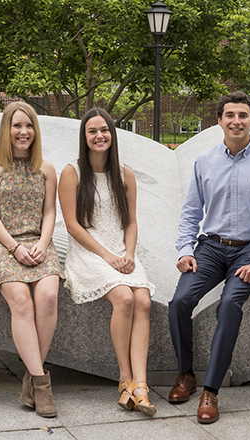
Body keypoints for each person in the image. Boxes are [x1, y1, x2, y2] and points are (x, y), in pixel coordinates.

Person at [168, 91, 250, 424]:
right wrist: (184, 251)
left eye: (243, 115)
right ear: (219, 120)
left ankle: (211, 391)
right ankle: (185, 374)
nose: (236, 121)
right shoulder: (204, 161)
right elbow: (191, 212)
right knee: (179, 301)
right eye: (229, 115)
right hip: (210, 247)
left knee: (228, 304)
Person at [58, 108, 156, 416]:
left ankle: (141, 385)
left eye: (104, 130)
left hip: (122, 250)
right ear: (84, 137)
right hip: (90, 251)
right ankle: (125, 378)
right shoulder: (72, 172)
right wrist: (108, 256)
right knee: (124, 298)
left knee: (143, 300)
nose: (99, 136)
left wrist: (128, 253)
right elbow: (72, 225)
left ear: (112, 135)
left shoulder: (125, 174)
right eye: (92, 131)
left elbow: (131, 222)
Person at [0, 102, 62, 418]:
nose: (23, 132)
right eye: (17, 126)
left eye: (28, 126)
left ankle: (30, 378)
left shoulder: (46, 168)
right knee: (22, 302)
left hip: (38, 241)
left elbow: (50, 211)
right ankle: (41, 385)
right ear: (6, 130)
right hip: (0, 242)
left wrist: (42, 242)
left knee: (49, 296)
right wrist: (14, 248)